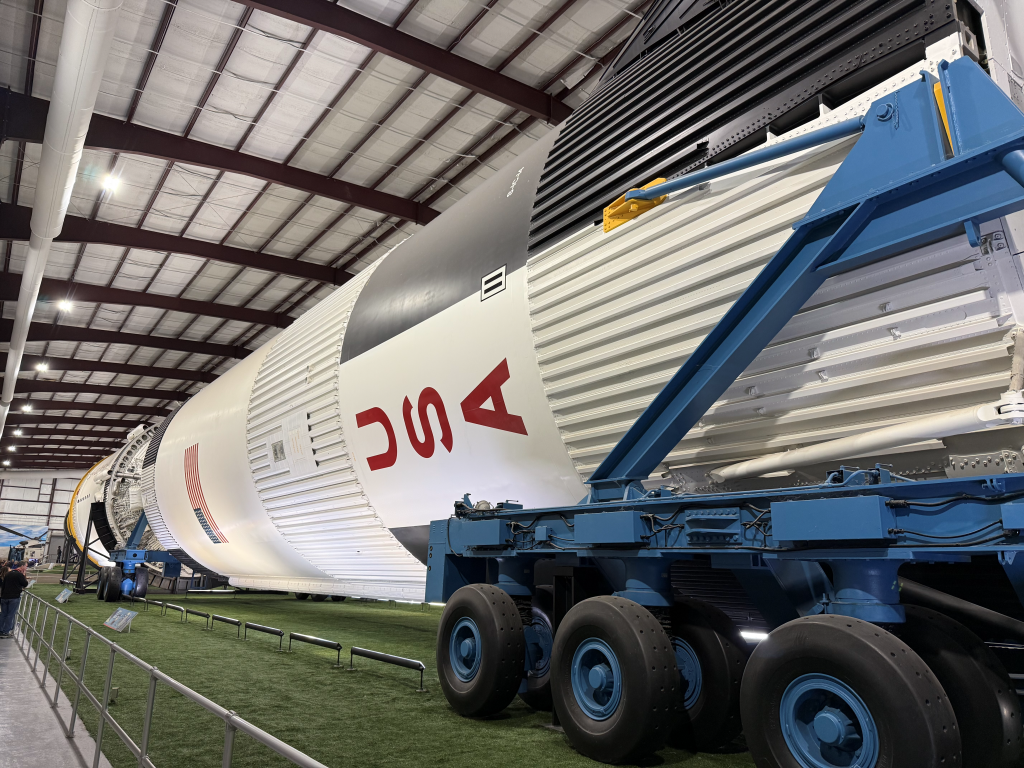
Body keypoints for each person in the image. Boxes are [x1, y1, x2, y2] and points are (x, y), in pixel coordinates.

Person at [0, 561, 29, 638]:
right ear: (22, 566)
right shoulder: (19, 575)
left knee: (3, 614)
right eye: (25, 566)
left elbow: (3, 586)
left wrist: (2, 596)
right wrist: (24, 575)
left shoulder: (8, 574)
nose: (26, 568)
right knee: (10, 614)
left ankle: (1, 630)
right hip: (14, 597)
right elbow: (25, 584)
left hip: (4, 597)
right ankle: (6, 632)